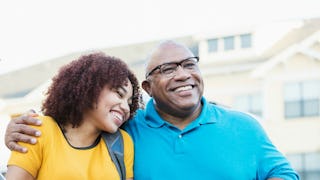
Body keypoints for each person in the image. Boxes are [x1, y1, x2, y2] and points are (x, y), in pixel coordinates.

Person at [5, 41, 299, 179]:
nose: (183, 74)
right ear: (147, 88)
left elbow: (283, 173)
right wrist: (17, 128)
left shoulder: (243, 126)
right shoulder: (126, 132)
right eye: (168, 69)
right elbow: (75, 126)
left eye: (190, 64)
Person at [5, 52, 141, 180]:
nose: (125, 107)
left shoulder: (123, 143)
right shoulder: (39, 128)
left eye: (129, 102)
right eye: (119, 94)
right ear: (91, 88)